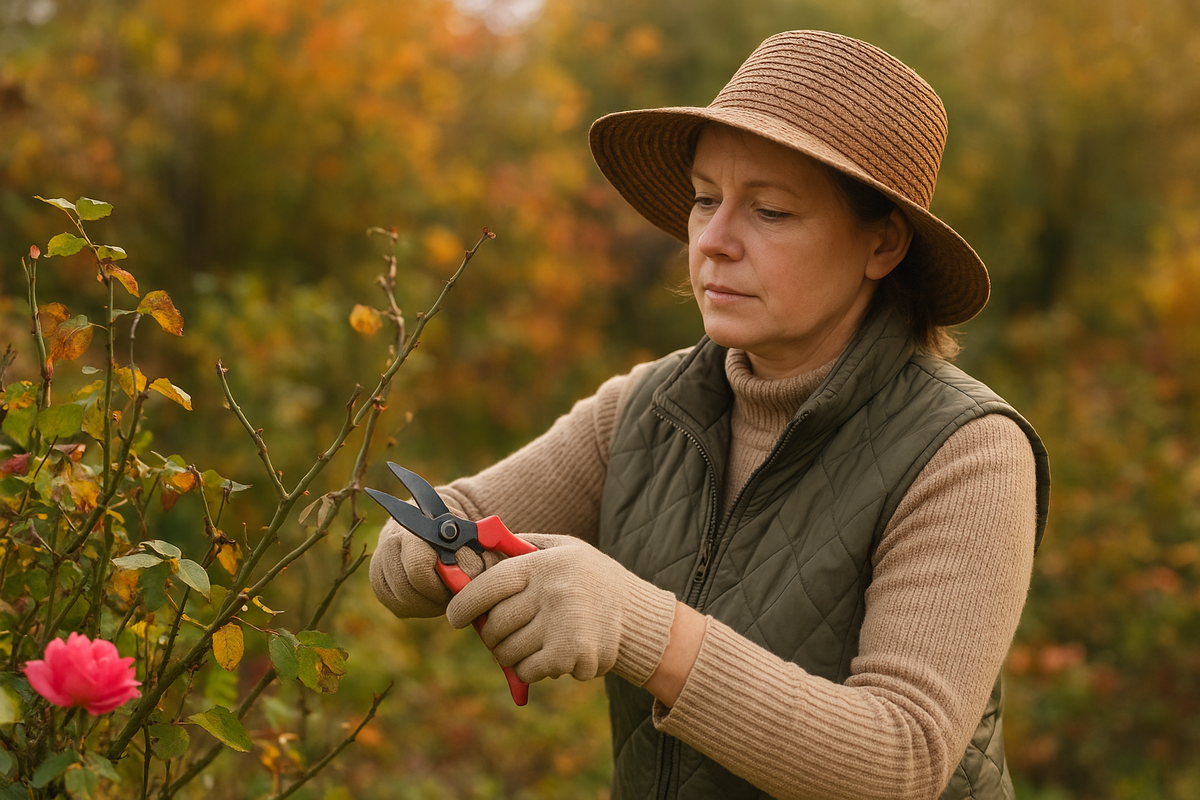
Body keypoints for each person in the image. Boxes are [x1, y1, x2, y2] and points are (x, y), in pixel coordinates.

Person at [369, 30, 1049, 800]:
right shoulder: (644, 411)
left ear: (882, 244)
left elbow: (901, 760)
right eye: (703, 199)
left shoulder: (969, 453)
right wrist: (422, 555)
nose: (714, 242)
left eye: (771, 210)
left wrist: (637, 625)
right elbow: (440, 523)